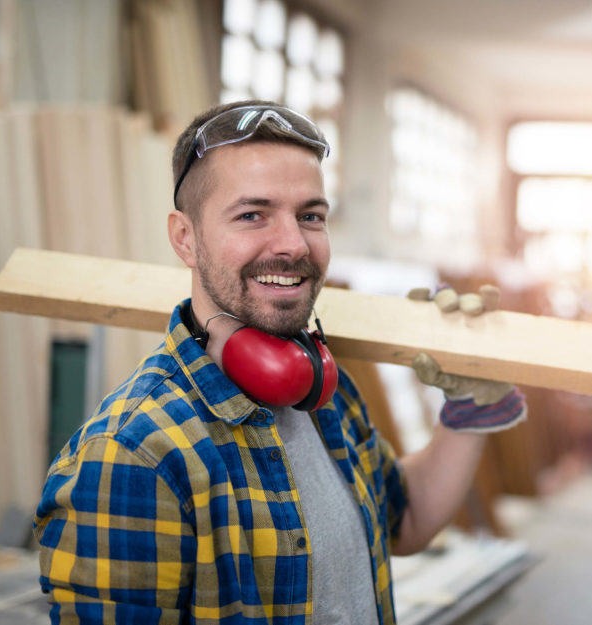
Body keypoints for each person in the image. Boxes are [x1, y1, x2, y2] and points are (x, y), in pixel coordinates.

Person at [34, 100, 527, 624]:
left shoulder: (318, 392)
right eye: (253, 215)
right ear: (185, 238)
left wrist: (469, 408)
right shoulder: (132, 457)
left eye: (310, 216)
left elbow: (401, 522)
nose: (293, 244)